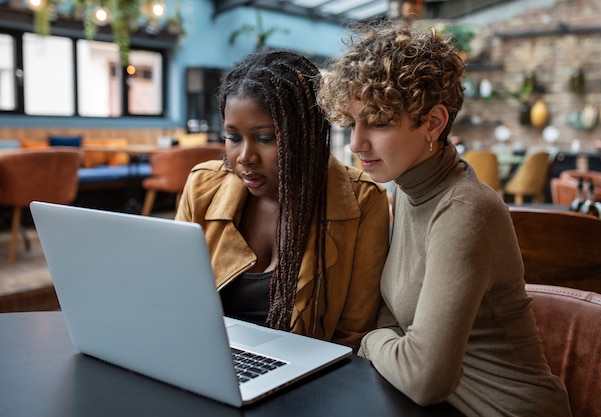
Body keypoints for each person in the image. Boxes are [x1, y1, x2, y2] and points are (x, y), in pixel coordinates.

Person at [317, 20, 572, 416]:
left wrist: (369, 342)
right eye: (352, 122)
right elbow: (394, 319)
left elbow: (425, 377)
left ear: (433, 123)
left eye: (378, 122)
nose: (355, 143)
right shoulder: (403, 187)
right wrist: (387, 340)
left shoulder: (465, 210)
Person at [175, 49, 390, 352]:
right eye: (233, 137)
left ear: (307, 134)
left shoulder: (363, 201)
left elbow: (352, 337)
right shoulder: (203, 185)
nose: (245, 157)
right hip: (204, 356)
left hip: (308, 378)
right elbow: (173, 297)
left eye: (264, 138)